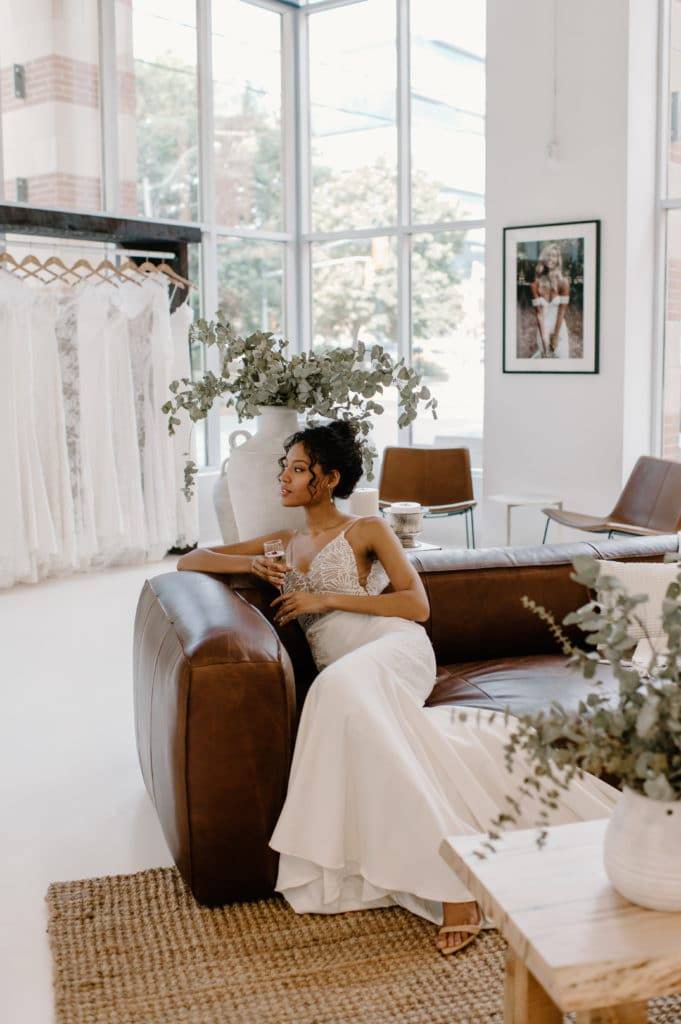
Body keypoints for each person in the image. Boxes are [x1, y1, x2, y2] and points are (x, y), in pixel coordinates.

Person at [177, 419, 617, 955]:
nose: (284, 479)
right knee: (348, 705)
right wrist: (250, 563)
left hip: (393, 647)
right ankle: (453, 864)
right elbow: (192, 559)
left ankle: (455, 888)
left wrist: (323, 599)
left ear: (328, 477)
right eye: (284, 468)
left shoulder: (366, 529)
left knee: (334, 693)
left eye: (297, 468)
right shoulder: (284, 543)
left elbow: (417, 605)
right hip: (347, 669)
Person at [530, 242, 571, 358]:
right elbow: (539, 315)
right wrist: (544, 341)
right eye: (548, 255)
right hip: (543, 330)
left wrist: (556, 336)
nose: (550, 258)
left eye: (554, 255)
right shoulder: (534, 285)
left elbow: (562, 312)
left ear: (558, 259)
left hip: (559, 329)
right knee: (545, 361)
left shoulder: (564, 283)